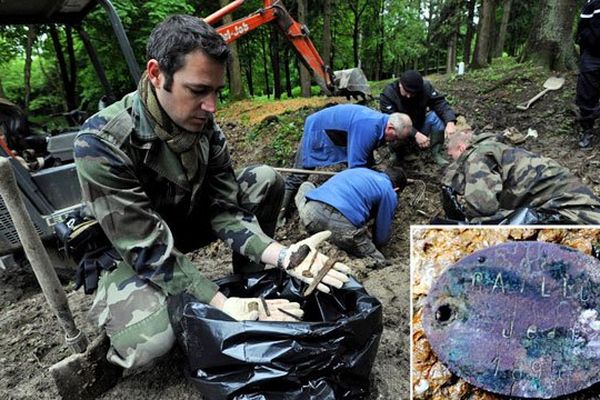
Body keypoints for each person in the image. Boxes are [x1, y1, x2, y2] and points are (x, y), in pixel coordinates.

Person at [73, 15, 350, 370]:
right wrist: (221, 302)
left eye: (216, 91)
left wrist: (282, 256)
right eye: (198, 90)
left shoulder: (205, 126)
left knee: (264, 179)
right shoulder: (101, 143)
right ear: (156, 74)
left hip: (180, 223)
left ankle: (252, 281)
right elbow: (146, 248)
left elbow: (226, 210)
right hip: (129, 250)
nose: (212, 107)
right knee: (152, 345)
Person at [280, 104, 412, 220]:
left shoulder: (380, 124)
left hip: (337, 135)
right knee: (299, 175)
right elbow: (356, 169)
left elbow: (365, 155)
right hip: (318, 130)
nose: (393, 141)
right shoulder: (368, 127)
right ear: (390, 128)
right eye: (395, 138)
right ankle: (279, 216)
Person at [441, 130, 600, 224]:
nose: (452, 160)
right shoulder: (496, 148)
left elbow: (483, 207)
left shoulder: (476, 156)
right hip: (576, 203)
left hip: (571, 211)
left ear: (461, 148)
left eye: (452, 155)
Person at [294, 167, 406, 263]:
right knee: (378, 260)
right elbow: (382, 236)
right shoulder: (389, 190)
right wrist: (373, 243)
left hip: (312, 214)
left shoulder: (359, 171)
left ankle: (303, 225)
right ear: (397, 189)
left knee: (306, 185)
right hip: (341, 227)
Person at [379, 70, 457, 166]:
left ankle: (436, 152)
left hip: (420, 124)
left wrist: (450, 122)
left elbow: (440, 104)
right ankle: (398, 153)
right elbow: (391, 121)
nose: (409, 96)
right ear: (400, 84)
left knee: (435, 117)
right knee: (393, 127)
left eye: (413, 93)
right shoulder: (388, 94)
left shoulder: (425, 88)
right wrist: (416, 134)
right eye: (406, 91)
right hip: (400, 132)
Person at [575, 0, 600, 149]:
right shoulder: (593, 3)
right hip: (592, 56)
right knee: (586, 93)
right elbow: (582, 28)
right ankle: (587, 130)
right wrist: (589, 45)